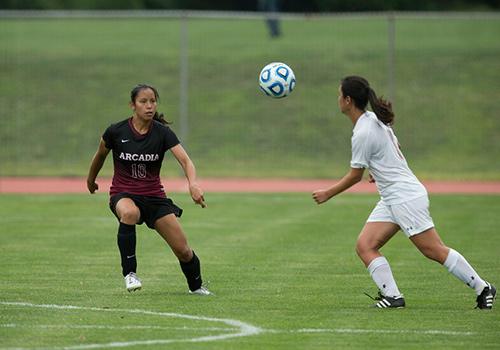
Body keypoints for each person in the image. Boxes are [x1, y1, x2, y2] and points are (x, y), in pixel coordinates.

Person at [312, 75, 496, 309]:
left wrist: (328, 193)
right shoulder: (372, 119)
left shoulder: (362, 132)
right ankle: (393, 297)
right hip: (393, 197)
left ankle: (483, 287)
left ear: (348, 100)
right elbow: (391, 149)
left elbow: (354, 175)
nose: (338, 99)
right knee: (365, 245)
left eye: (340, 95)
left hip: (404, 197)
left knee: (433, 249)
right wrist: (378, 171)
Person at [87, 83, 211, 296]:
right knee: (129, 213)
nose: (149, 106)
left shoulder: (162, 133)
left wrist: (193, 184)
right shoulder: (116, 131)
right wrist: (91, 179)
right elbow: (100, 155)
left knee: (183, 250)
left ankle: (196, 287)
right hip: (123, 193)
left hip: (154, 197)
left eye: (152, 101)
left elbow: (185, 160)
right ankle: (130, 274)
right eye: (143, 101)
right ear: (132, 105)